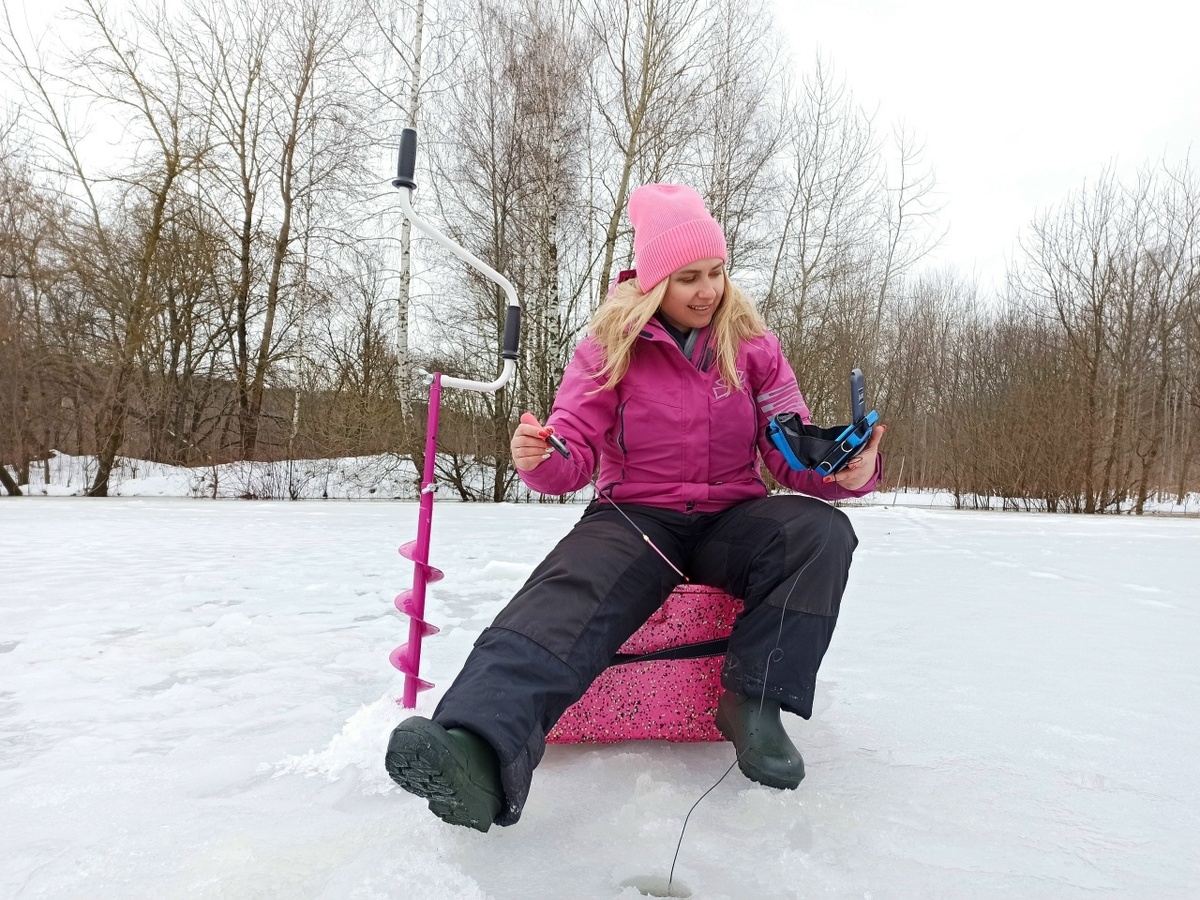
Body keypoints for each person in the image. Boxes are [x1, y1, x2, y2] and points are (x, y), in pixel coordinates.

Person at [386, 183, 885, 832]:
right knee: (569, 591)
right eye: (688, 278)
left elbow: (789, 451)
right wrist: (542, 458)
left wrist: (844, 469)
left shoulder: (753, 347)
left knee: (821, 531)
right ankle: (478, 748)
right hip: (636, 518)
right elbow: (573, 452)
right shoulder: (610, 344)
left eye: (716, 273)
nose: (708, 291)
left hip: (732, 519)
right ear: (653, 282)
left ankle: (755, 704)